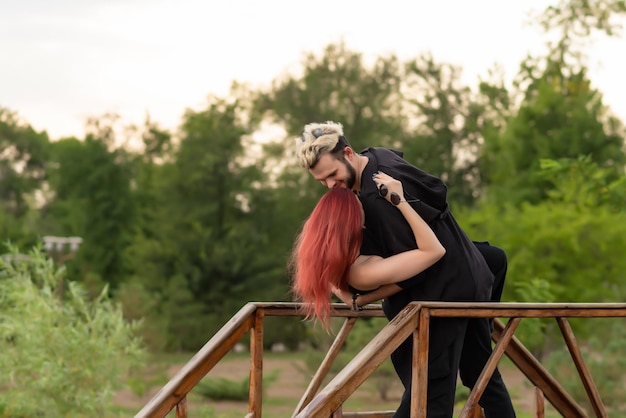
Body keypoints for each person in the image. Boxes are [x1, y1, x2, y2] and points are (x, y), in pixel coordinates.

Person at [294, 121, 515, 418]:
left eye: (332, 175)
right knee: (481, 372)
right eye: (322, 182)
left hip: (442, 291)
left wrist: (365, 297)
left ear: (347, 153)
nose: (331, 185)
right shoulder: (379, 158)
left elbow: (419, 265)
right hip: (469, 273)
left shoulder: (376, 198)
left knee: (427, 392)